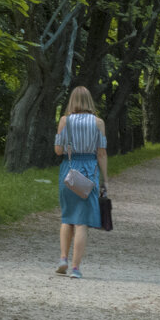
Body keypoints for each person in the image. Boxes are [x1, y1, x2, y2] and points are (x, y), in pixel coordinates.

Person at [54, 86, 108, 279]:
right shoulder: (98, 123)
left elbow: (58, 150)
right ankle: (75, 269)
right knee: (82, 222)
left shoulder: (64, 121)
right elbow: (101, 153)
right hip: (89, 171)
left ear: (72, 101)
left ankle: (63, 259)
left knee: (67, 217)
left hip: (68, 171)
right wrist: (104, 180)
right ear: (89, 102)